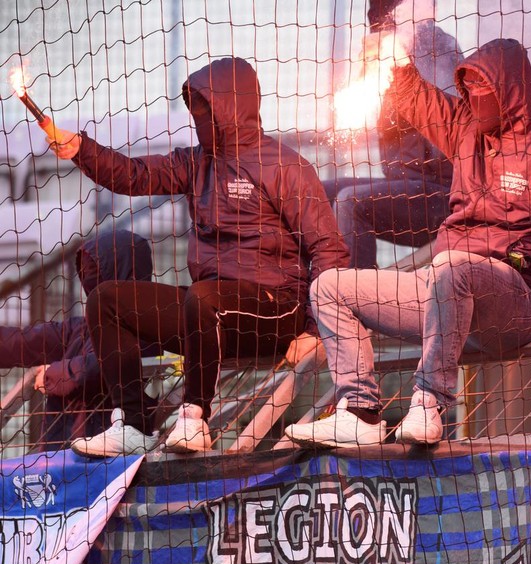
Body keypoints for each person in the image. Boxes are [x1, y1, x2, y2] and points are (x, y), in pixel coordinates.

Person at [285, 38, 531, 447]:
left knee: (454, 268)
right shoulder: (466, 130)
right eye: (470, 89)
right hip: (444, 293)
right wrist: (394, 61)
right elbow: (419, 98)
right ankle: (359, 412)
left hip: (516, 305)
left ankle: (429, 403)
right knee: (329, 287)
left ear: (511, 91)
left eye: (485, 89)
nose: (475, 98)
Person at [47, 57, 349, 457]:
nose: (199, 118)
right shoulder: (194, 163)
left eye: (206, 109)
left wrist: (314, 329)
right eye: (196, 110)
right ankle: (135, 424)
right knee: (107, 301)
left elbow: (329, 249)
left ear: (230, 107)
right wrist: (80, 149)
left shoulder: (286, 166)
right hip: (208, 311)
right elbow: (133, 174)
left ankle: (194, 419)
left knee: (204, 296)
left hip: (276, 311)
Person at [323, 0, 459, 269]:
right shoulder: (385, 54)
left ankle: (356, 296)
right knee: (315, 192)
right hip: (406, 186)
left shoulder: (433, 45)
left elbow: (451, 127)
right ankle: (316, 285)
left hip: (444, 197)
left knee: (351, 201)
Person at [0, 229, 153, 450]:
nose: (90, 276)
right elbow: (24, 341)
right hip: (58, 459)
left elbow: (102, 368)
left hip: (113, 460)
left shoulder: (148, 328)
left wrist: (52, 374)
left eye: (97, 269)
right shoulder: (81, 328)